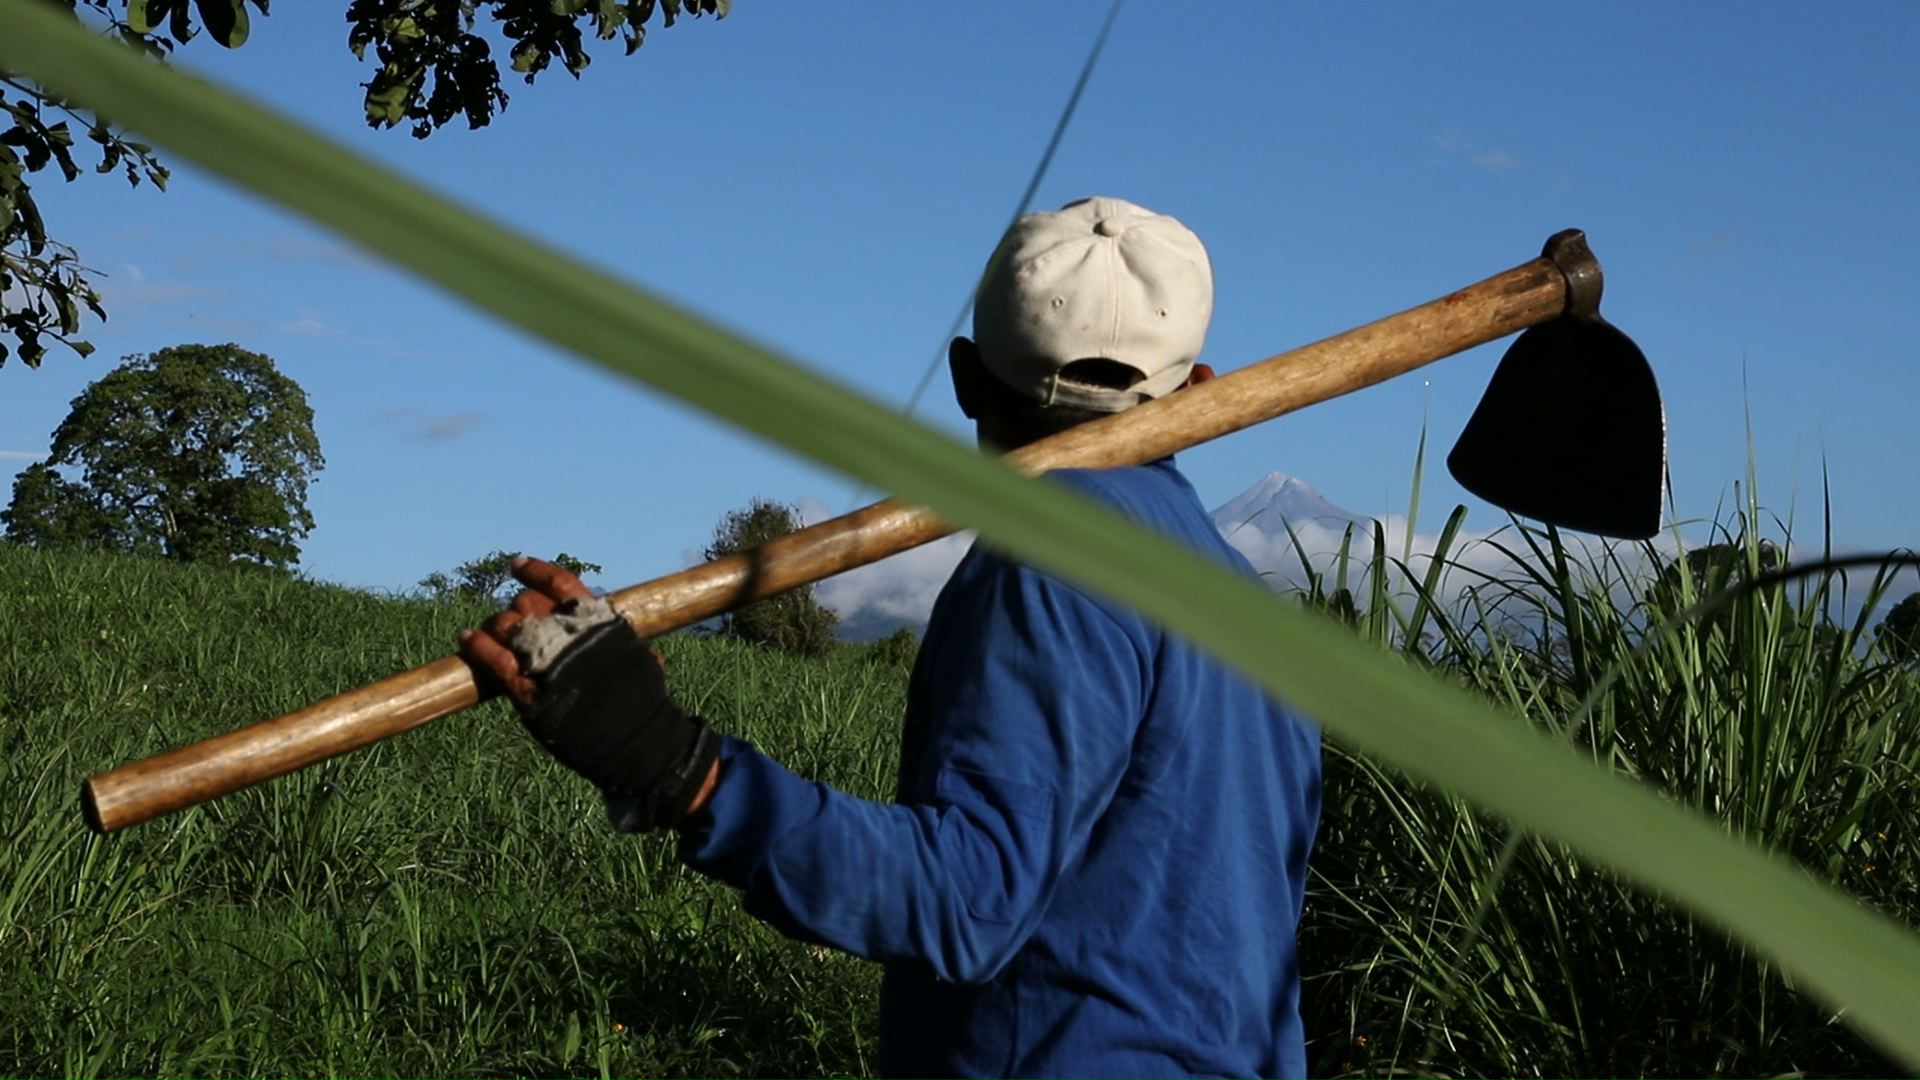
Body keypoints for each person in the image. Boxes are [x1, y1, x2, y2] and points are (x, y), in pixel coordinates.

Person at [460, 196, 1324, 1079]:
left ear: (967, 379)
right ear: (1204, 394)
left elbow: (970, 898)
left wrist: (667, 763)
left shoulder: (1059, 553)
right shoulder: (1257, 619)